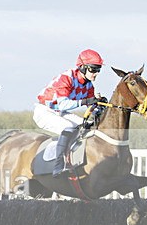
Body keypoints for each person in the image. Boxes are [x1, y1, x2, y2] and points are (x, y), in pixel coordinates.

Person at [34, 49, 106, 177]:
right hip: (44, 111)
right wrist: (85, 101)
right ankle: (59, 164)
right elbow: (62, 104)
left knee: (87, 125)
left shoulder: (89, 85)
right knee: (68, 127)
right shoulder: (66, 78)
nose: (96, 73)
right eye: (93, 69)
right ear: (82, 67)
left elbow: (91, 106)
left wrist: (100, 106)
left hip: (60, 112)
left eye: (98, 70)